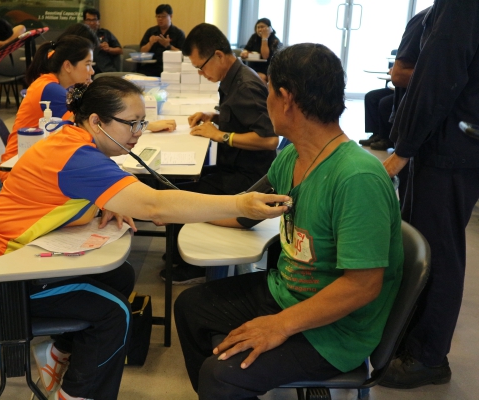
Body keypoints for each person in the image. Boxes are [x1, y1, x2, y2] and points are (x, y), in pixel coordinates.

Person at [0, 76, 287, 400]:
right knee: (114, 312)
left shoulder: (73, 138)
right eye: (132, 123)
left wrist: (105, 202)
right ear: (96, 121)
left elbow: (62, 195)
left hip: (11, 257)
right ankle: (77, 394)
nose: (139, 132)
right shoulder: (78, 157)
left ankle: (60, 352)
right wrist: (239, 204)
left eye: (142, 123)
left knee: (119, 275)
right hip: (2, 273)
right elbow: (156, 206)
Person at [174, 43, 404, 399]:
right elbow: (244, 211)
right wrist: (178, 208)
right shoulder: (292, 156)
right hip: (286, 292)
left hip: (336, 329)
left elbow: (362, 286)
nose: (266, 99)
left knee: (221, 376)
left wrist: (279, 325)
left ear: (285, 98)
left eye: (268, 90)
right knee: (191, 308)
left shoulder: (357, 178)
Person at [380, 0, 479, 389]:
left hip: (449, 146)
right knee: (435, 244)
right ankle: (412, 339)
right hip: (458, 140)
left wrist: (404, 148)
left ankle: (427, 355)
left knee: (437, 250)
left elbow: (440, 72)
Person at [162, 22, 278, 285]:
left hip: (250, 177)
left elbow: (270, 139)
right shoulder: (233, 77)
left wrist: (221, 135)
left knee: (181, 196)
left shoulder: (245, 85)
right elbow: (240, 116)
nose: (201, 73)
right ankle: (178, 253)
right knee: (182, 185)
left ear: (218, 55)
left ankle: (193, 265)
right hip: (235, 166)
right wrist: (214, 116)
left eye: (201, 67)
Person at [0, 31, 176, 182]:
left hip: (28, 163)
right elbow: (95, 119)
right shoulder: (51, 90)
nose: (92, 71)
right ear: (68, 66)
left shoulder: (56, 85)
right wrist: (146, 125)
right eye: (88, 65)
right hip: (15, 169)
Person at [359, 7, 429, 152]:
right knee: (371, 97)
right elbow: (399, 75)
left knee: (384, 103)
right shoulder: (423, 20)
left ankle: (386, 138)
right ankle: (376, 134)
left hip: (411, 92)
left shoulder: (427, 20)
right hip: (402, 88)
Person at [138, 4, 185, 76]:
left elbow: (183, 55)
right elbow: (142, 51)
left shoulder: (178, 33)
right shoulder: (151, 31)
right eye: (158, 16)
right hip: (151, 67)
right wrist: (150, 43)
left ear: (171, 16)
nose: (160, 19)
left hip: (170, 69)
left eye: (163, 16)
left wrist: (168, 46)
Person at [240, 18, 282, 82]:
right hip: (253, 66)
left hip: (268, 68)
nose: (260, 29)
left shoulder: (275, 40)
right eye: (258, 27)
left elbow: (265, 56)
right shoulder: (254, 37)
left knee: (259, 77)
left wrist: (264, 38)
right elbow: (247, 49)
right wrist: (245, 53)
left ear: (269, 28)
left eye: (262, 27)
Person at [82, 7, 123, 73]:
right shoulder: (79, 35)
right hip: (86, 70)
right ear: (84, 22)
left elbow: (120, 50)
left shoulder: (105, 33)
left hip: (106, 70)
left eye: (94, 20)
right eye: (88, 20)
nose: (92, 23)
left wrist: (109, 49)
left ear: (99, 22)